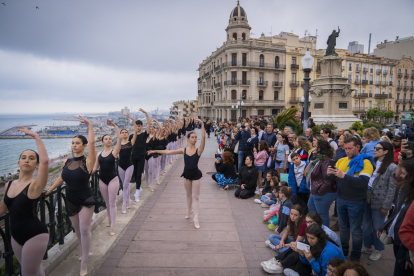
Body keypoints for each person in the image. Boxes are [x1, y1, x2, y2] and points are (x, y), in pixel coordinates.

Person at [46, 116, 97, 275]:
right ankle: (83, 253)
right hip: (70, 200)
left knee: (84, 229)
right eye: (73, 143)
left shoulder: (88, 161)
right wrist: (48, 191)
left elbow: (93, 143)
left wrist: (89, 124)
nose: (74, 145)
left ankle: (84, 263)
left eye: (77, 143)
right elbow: (62, 177)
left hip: (86, 199)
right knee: (77, 230)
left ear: (84, 145)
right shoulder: (66, 162)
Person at [0, 127, 49, 276]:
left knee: (27, 274)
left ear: (36, 165)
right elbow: (2, 210)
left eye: (31, 158)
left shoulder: (35, 186)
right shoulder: (9, 184)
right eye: (23, 157)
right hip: (15, 236)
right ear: (18, 163)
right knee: (33, 271)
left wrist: (36, 136)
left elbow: (46, 162)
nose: (27, 160)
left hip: (35, 235)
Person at [147, 118, 205, 229]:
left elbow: (203, 138)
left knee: (196, 196)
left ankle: (196, 218)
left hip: (196, 175)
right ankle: (189, 211)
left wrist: (202, 124)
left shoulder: (199, 150)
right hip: (187, 174)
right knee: (188, 195)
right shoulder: (183, 150)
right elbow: (168, 152)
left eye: (195, 138)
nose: (194, 139)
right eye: (192, 137)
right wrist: (155, 151)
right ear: (188, 139)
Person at [327, 137, 374, 261]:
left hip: (356, 201)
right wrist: (328, 174)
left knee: (355, 230)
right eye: (345, 148)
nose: (347, 151)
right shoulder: (341, 160)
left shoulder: (366, 162)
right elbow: (331, 179)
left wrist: (344, 175)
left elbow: (363, 182)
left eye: (350, 148)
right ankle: (344, 251)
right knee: (343, 228)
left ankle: (355, 256)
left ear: (358, 147)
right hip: (341, 198)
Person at [378, 157, 414, 276]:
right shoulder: (405, 189)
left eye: (403, 173)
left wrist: (410, 253)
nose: (400, 176)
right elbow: (397, 212)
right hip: (398, 238)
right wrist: (384, 225)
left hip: (407, 245)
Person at [362, 141, 397, 261]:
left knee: (378, 226)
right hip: (367, 196)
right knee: (366, 224)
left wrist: (386, 206)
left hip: (380, 199)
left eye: (378, 148)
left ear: (386, 151)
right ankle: (367, 245)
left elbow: (392, 188)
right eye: (375, 148)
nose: (375, 150)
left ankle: (378, 249)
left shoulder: (392, 167)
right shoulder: (373, 162)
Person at [92, 120, 122, 236]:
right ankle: (110, 221)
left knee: (112, 202)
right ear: (102, 142)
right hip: (102, 180)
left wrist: (114, 126)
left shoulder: (114, 152)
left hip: (113, 179)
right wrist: (87, 174)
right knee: (107, 203)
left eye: (110, 138)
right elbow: (95, 168)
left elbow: (119, 139)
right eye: (106, 139)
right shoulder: (99, 154)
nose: (109, 140)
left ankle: (113, 226)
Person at [262, 205, 307, 274]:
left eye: (295, 215)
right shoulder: (290, 219)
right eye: (291, 214)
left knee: (287, 250)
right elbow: (286, 232)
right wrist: (282, 241)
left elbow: (297, 243)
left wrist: (283, 245)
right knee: (272, 236)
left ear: (301, 215)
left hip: (297, 244)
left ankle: (274, 247)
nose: (292, 216)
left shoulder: (303, 224)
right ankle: (277, 248)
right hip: (291, 240)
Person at [306, 140, 337, 227]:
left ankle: (324, 234)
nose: (314, 148)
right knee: (312, 209)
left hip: (322, 192)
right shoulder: (319, 160)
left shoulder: (326, 161)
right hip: (315, 191)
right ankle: (314, 230)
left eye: (315, 147)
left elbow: (328, 180)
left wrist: (319, 192)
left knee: (322, 214)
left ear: (320, 149)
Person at [129, 108, 151, 203]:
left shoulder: (144, 135)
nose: (138, 127)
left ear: (141, 126)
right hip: (133, 156)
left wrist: (146, 113)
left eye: (139, 126)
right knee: (133, 175)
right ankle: (138, 188)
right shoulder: (132, 136)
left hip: (141, 156)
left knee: (139, 175)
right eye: (136, 126)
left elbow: (149, 125)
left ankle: (137, 192)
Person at [118, 115, 139, 214]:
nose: (124, 133)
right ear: (120, 134)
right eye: (123, 132)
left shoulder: (131, 143)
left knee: (126, 184)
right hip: (120, 166)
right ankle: (129, 200)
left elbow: (135, 131)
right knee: (124, 185)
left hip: (129, 165)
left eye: (126, 132)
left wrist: (133, 120)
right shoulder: (118, 144)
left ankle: (124, 205)